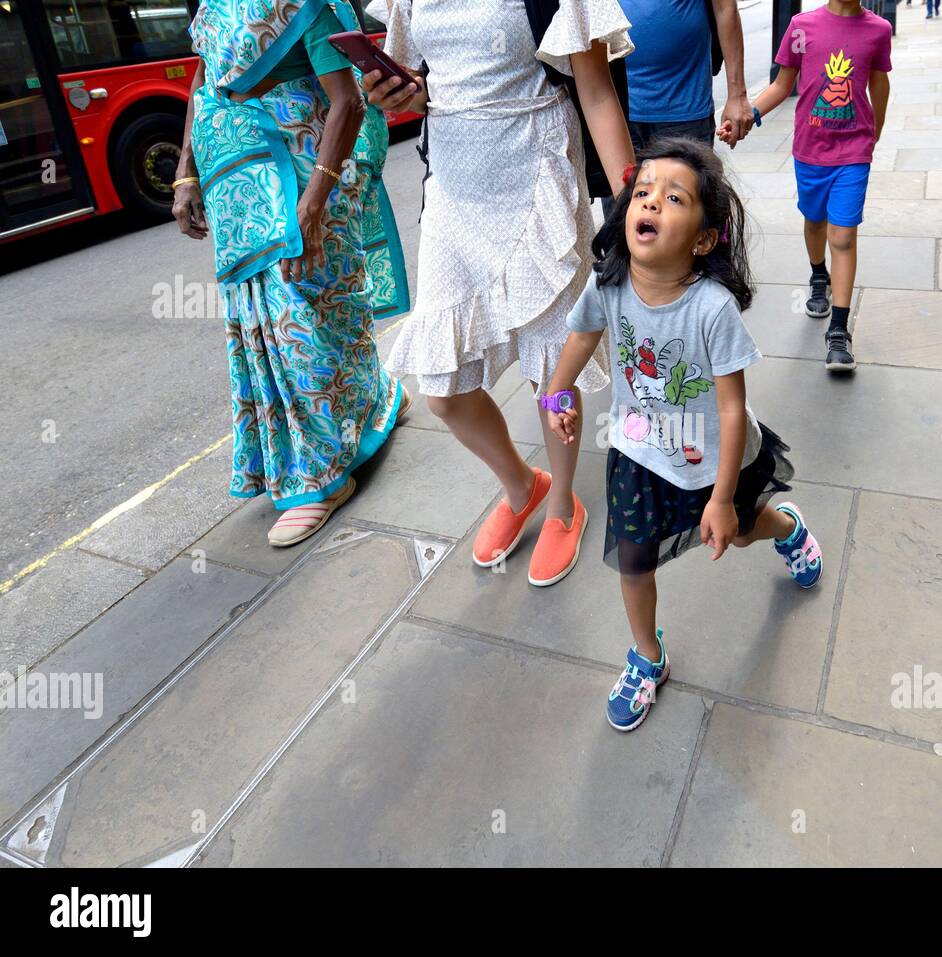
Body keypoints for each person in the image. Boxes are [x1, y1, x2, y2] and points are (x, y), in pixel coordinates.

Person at [542, 139, 824, 732]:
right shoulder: (610, 283)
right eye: (642, 193)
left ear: (701, 239)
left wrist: (721, 499)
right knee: (633, 561)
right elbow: (583, 334)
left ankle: (785, 527)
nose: (651, 203)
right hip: (640, 450)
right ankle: (647, 657)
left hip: (715, 460)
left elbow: (729, 410)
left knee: (743, 532)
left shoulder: (712, 309)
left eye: (673, 198)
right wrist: (557, 392)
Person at [365, 0, 637, 587]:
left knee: (551, 369)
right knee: (441, 388)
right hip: (454, 193)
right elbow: (417, 86)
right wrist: (396, 94)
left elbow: (594, 92)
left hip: (537, 170)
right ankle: (522, 486)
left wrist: (632, 204)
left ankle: (563, 501)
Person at [173, 0, 411, 547]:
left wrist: (312, 206)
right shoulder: (213, 7)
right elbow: (202, 80)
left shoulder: (305, 3)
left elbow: (347, 102)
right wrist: (185, 173)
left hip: (300, 176)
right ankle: (375, 403)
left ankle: (323, 479)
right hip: (236, 188)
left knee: (310, 320)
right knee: (265, 327)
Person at [736, 0, 891, 373]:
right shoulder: (801, 27)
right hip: (810, 151)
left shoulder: (878, 30)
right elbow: (781, 84)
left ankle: (838, 331)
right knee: (815, 222)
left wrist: (875, 134)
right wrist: (750, 114)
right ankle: (817, 273)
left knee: (843, 236)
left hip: (853, 151)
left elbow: (879, 84)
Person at [598, 0, 752, 221]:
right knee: (621, 220)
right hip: (613, 109)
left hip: (684, 109)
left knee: (686, 219)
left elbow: (725, 8)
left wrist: (738, 95)